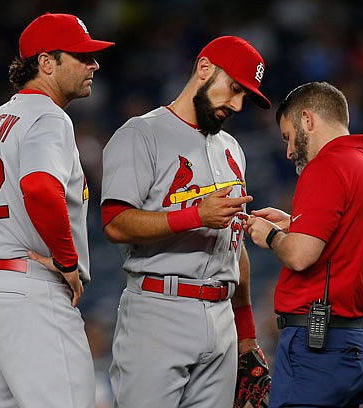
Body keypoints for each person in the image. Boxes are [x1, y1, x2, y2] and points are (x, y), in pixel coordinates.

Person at [0, 12, 114, 407]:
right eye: (81, 55)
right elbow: (40, 187)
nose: (93, 64)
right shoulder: (49, 117)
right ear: (46, 63)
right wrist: (66, 260)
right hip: (30, 295)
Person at [101, 36, 271, 408]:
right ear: (205, 69)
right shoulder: (141, 134)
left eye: (246, 97)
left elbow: (234, 245)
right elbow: (115, 223)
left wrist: (246, 335)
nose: (238, 104)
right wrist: (196, 215)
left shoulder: (232, 149)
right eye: (235, 89)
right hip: (159, 309)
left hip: (222, 316)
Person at [244, 81, 363, 408]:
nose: (288, 152)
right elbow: (348, 235)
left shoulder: (326, 167)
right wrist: (294, 223)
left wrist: (270, 235)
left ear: (308, 119)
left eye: (288, 136)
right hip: (359, 341)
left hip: (319, 344)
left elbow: (300, 256)